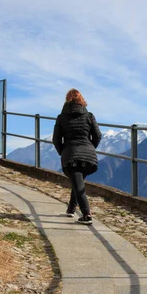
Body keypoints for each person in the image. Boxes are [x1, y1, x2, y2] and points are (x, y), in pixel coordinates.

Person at [53, 89, 102, 224]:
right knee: (77, 182)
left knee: (79, 186)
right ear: (82, 101)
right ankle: (71, 209)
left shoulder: (61, 118)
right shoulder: (89, 116)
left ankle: (87, 215)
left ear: (66, 101)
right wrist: (90, 148)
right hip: (89, 158)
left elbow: (56, 139)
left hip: (71, 155)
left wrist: (63, 152)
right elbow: (98, 136)